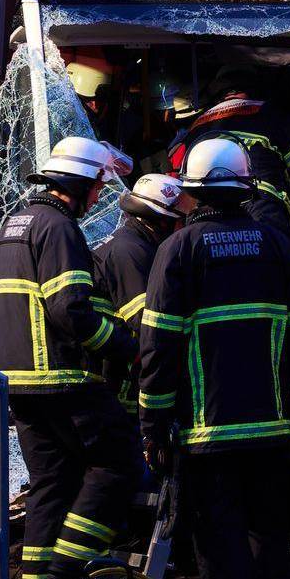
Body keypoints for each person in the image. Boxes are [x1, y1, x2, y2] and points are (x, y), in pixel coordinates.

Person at [140, 137, 290, 579]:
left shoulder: (178, 250)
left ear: (193, 189)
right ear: (247, 186)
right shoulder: (277, 245)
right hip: (272, 431)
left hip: (207, 437)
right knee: (270, 543)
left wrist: (153, 426)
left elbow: (158, 345)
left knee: (220, 549)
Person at [0, 137, 139, 579]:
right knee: (118, 464)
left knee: (51, 482)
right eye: (96, 188)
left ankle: (35, 577)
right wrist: (126, 346)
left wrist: (6, 374)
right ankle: (65, 571)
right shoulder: (59, 228)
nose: (96, 198)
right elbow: (70, 309)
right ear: (80, 183)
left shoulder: (12, 225)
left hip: (18, 386)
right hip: (64, 381)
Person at [169, 64, 290, 233]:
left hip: (208, 210)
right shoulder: (271, 113)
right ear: (255, 87)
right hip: (261, 205)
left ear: (218, 93)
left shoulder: (197, 125)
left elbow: (180, 177)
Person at [92, 174, 186, 409]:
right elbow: (149, 324)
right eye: (181, 220)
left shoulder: (138, 243)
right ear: (161, 220)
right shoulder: (131, 251)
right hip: (120, 388)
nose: (184, 228)